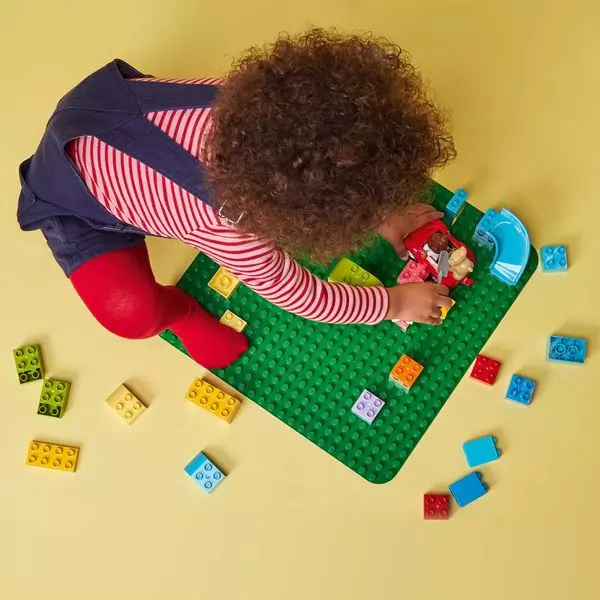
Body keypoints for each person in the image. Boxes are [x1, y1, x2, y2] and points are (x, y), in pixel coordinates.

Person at [17, 28, 455, 370]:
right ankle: (181, 314)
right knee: (130, 315)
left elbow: (332, 153)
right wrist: (395, 302)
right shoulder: (231, 229)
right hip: (76, 203)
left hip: (100, 106)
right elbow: (306, 297)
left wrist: (383, 213)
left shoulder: (256, 102)